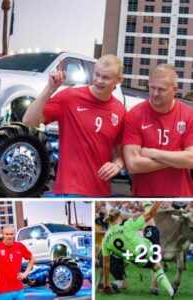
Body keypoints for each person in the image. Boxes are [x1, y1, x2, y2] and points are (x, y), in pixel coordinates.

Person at [23, 54, 126, 196]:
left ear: (118, 80)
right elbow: (28, 121)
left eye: (106, 78)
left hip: (101, 192)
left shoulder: (120, 110)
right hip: (70, 189)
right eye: (97, 75)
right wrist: (50, 88)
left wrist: (117, 165)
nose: (99, 81)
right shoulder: (70, 98)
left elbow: (120, 155)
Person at [123, 64, 193, 196]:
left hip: (180, 195)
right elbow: (133, 164)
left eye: (161, 89)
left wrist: (153, 153)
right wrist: (177, 157)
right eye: (152, 88)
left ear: (174, 90)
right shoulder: (135, 115)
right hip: (145, 197)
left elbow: (191, 160)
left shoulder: (189, 115)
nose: (155, 93)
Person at [102, 201, 174, 298]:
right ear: (119, 217)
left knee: (156, 266)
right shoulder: (127, 225)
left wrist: (106, 283)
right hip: (149, 250)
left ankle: (171, 291)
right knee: (151, 225)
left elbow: (106, 265)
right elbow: (151, 214)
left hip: (138, 262)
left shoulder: (105, 240)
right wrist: (158, 201)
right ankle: (146, 202)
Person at [0, 225, 35, 300]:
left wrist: (25, 273)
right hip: (2, 292)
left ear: (14, 234)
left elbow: (32, 259)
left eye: (11, 234)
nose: (9, 236)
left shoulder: (19, 246)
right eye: (7, 234)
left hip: (18, 290)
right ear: (3, 234)